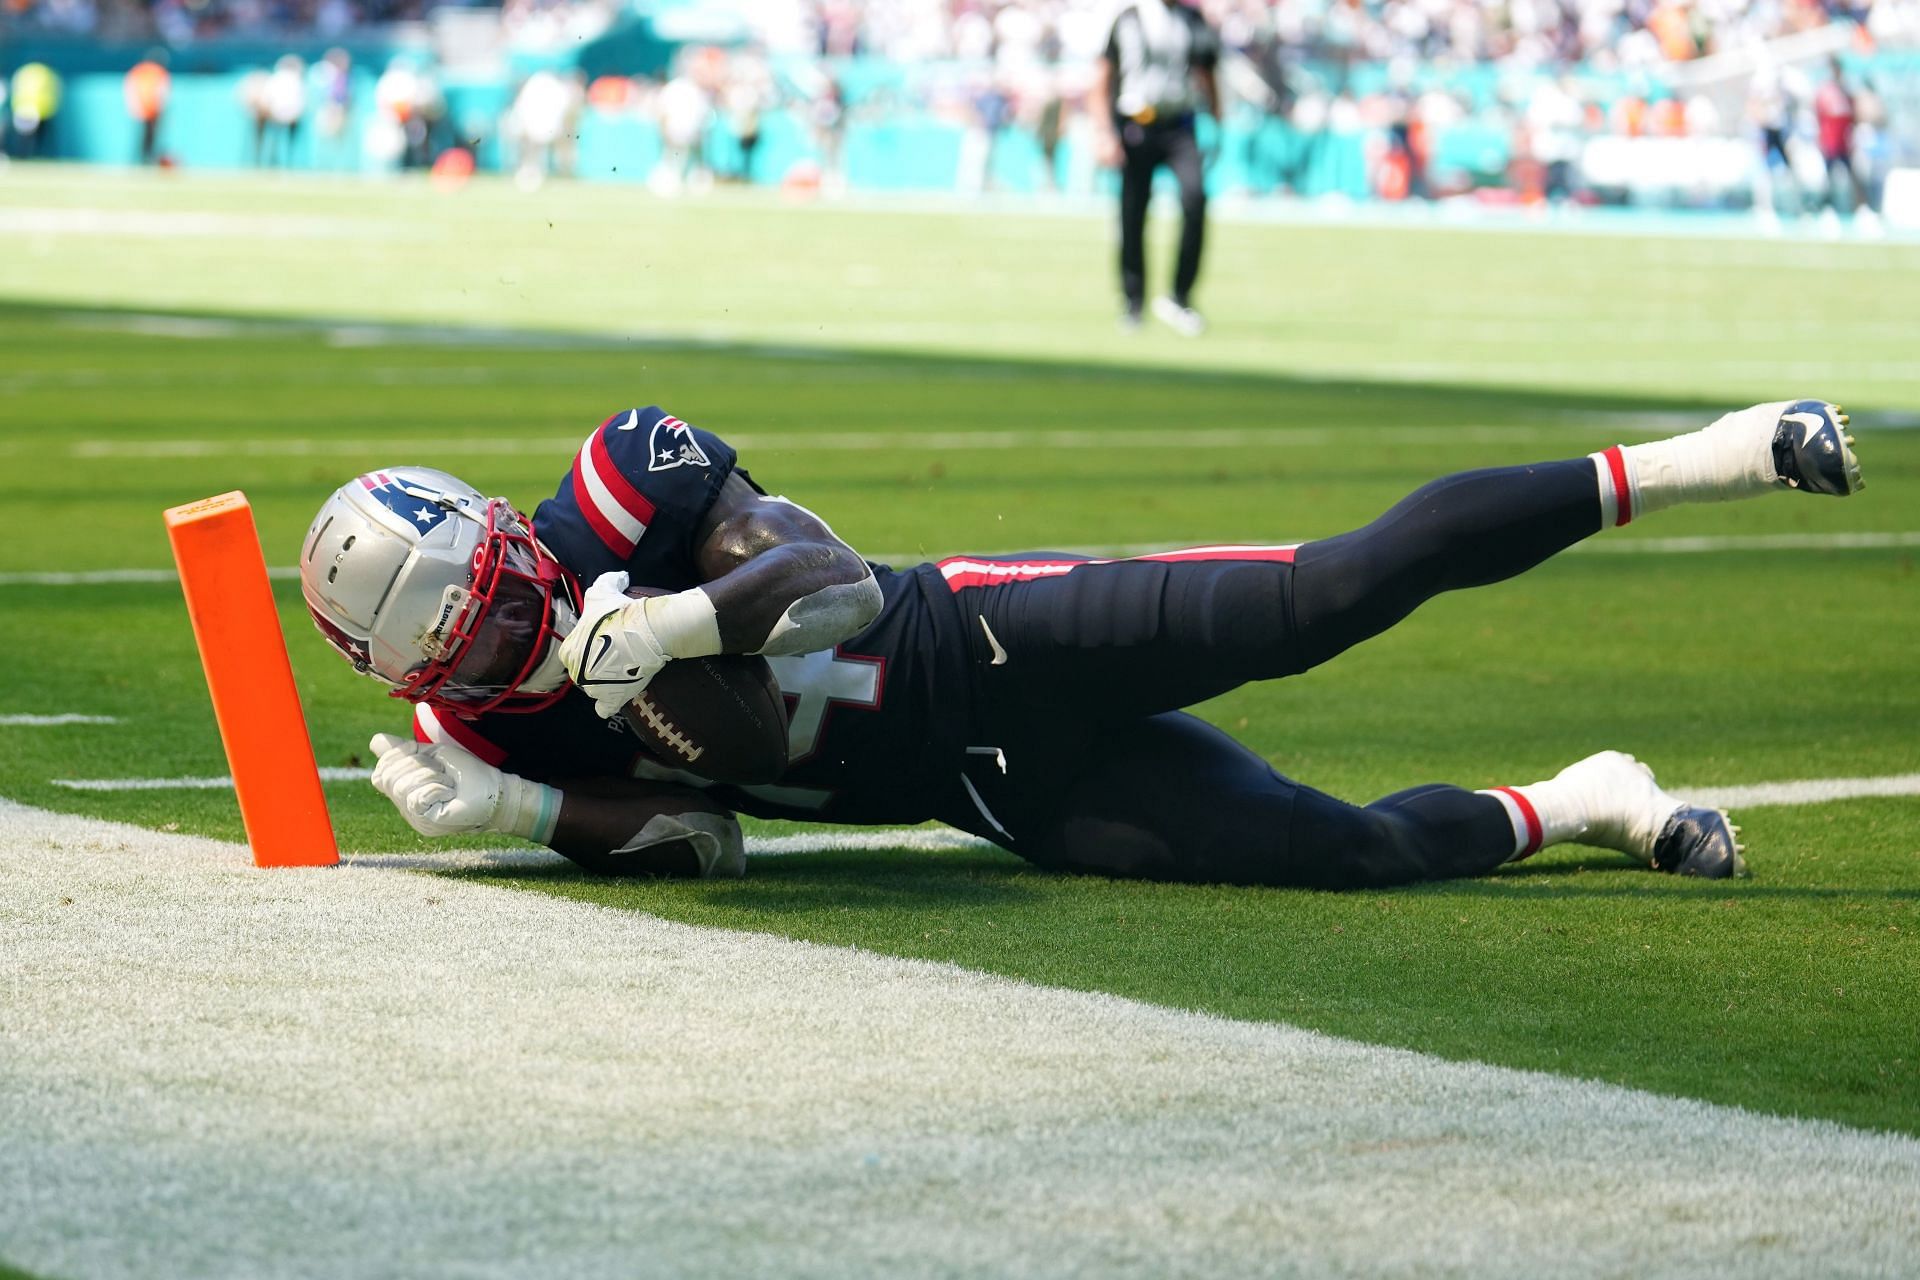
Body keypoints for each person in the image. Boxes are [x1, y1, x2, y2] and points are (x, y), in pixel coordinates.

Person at [302, 400, 1863, 886]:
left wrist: (681, 620)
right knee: (1345, 857)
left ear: (503, 532)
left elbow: (828, 583)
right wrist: (523, 812)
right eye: (476, 631)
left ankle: (1712, 454)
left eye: (505, 583)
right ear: (418, 670)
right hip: (987, 794)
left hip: (982, 641)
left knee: (1328, 596)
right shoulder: (487, 735)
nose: (517, 620)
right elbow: (701, 839)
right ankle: (1582, 800)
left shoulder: (610, 491)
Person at [1090, 0, 1221, 337]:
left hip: (1180, 124)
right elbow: (1102, 76)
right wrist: (1104, 132)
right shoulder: (1128, 19)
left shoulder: (1191, 19)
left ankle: (1180, 297)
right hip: (1137, 125)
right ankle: (1133, 302)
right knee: (1132, 214)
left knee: (1195, 200)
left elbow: (1207, 72)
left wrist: (1217, 123)